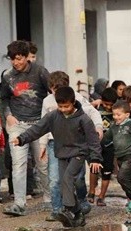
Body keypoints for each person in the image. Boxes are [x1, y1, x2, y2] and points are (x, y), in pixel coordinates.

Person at [13, 87, 102, 228]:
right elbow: (38, 129)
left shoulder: (84, 119)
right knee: (62, 184)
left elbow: (93, 140)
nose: (63, 109)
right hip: (62, 154)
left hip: (78, 154)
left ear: (73, 102)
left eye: (66, 106)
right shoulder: (53, 116)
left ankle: (67, 209)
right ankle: (77, 212)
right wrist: (22, 138)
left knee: (67, 178)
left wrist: (96, 159)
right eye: (60, 106)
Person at [42, 71, 103, 221]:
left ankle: (81, 201)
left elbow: (92, 112)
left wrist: (99, 127)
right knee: (56, 178)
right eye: (55, 89)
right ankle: (58, 209)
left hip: (75, 144)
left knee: (77, 178)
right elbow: (43, 123)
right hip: (54, 143)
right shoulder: (47, 102)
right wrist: (42, 145)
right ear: (51, 89)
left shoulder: (77, 98)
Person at [0, 40, 50, 216]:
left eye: (19, 58)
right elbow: (3, 98)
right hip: (17, 124)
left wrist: (49, 119)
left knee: (43, 164)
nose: (15, 63)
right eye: (12, 59)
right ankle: (19, 204)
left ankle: (50, 201)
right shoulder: (7, 76)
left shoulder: (40, 72)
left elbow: (53, 94)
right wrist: (8, 115)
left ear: (27, 57)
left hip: (39, 124)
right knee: (18, 164)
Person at [88, 87, 117, 206]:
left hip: (110, 146)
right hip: (96, 145)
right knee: (94, 168)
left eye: (111, 105)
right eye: (106, 104)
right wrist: (94, 103)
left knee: (107, 172)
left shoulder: (117, 108)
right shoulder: (96, 108)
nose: (109, 107)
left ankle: (101, 197)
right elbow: (83, 109)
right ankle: (91, 192)